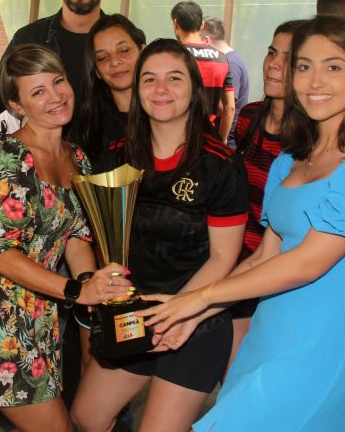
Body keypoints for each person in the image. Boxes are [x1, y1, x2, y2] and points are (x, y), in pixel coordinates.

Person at [142, 16, 345, 431]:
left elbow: (307, 263)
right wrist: (193, 314)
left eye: (333, 66)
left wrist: (197, 299)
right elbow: (263, 256)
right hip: (267, 332)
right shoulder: (289, 161)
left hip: (319, 343)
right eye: (304, 66)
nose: (315, 81)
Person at [0, 44, 130, 432]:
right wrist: (77, 291)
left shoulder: (78, 158)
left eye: (58, 82)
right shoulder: (9, 157)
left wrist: (94, 285)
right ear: (17, 105)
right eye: (38, 91)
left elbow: (75, 237)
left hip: (39, 314)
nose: (55, 96)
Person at [71, 39, 248, 432]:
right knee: (87, 415)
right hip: (133, 316)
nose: (161, 89)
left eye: (174, 78)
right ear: (137, 90)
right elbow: (98, 237)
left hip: (194, 320)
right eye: (149, 79)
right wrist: (101, 280)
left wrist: (177, 312)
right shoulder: (116, 156)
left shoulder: (220, 166)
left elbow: (223, 258)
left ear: (195, 89)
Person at [227, 19, 305, 369]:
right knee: (233, 369)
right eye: (272, 52)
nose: (274, 64)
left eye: (289, 58)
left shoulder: (309, 138)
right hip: (237, 261)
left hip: (278, 272)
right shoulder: (249, 117)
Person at [71, 13, 146, 167]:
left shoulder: (168, 111)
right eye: (102, 58)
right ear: (96, 70)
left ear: (143, 51)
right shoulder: (87, 128)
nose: (115, 61)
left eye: (124, 50)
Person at [171, 1, 234, 144]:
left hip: (176, 136)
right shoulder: (222, 58)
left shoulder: (174, 55)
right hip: (207, 137)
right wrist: (222, 139)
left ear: (175, 24)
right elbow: (229, 107)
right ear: (202, 25)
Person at [202, 17, 249, 149]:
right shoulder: (229, 60)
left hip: (224, 142)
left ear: (206, 40)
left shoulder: (230, 63)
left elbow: (226, 107)